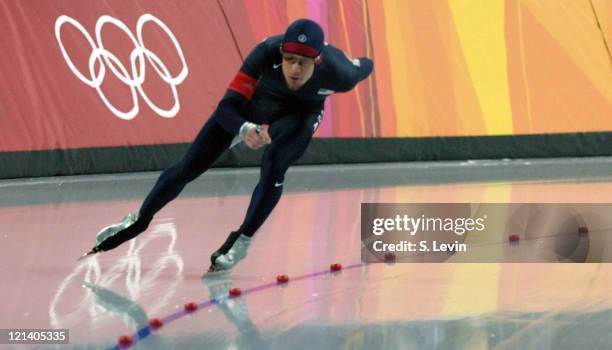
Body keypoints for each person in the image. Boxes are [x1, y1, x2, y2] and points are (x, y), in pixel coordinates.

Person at [82, 18, 374, 272]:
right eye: (289, 60)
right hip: (255, 107)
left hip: (302, 113)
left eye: (304, 62)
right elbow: (226, 108)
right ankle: (139, 219)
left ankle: (243, 240)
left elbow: (365, 65)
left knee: (275, 164)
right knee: (190, 165)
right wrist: (244, 128)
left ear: (318, 61)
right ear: (281, 53)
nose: (295, 68)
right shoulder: (263, 53)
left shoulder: (341, 73)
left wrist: (365, 60)